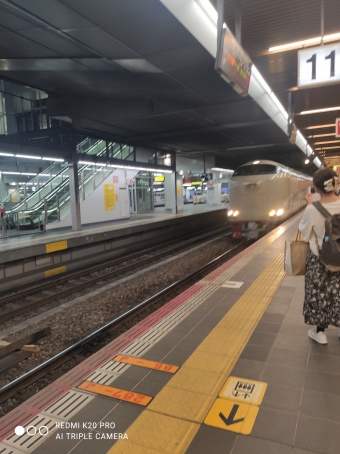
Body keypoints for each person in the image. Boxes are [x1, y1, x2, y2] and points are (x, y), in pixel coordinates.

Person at [299, 168, 340, 344]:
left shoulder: (312, 209)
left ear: (315, 188)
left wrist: (309, 205)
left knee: (319, 293)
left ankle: (320, 332)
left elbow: (305, 234)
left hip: (319, 260)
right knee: (338, 292)